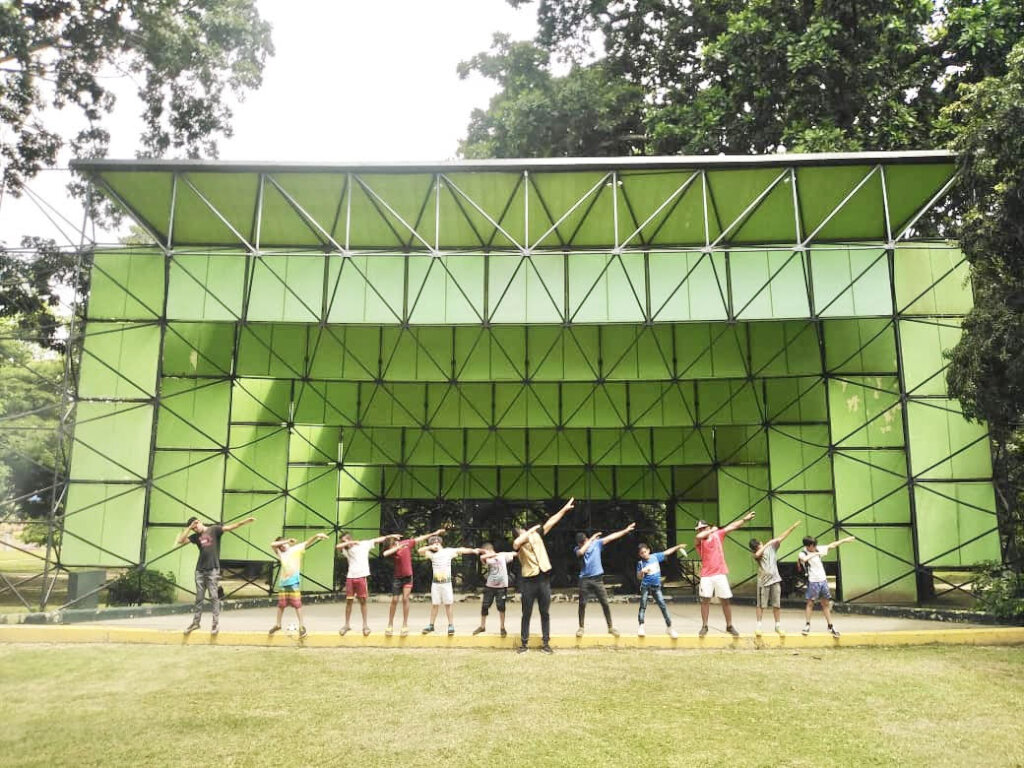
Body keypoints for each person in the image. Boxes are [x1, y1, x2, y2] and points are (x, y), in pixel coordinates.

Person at [512, 497, 575, 654]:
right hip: (528, 582)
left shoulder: (537, 536)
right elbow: (517, 542)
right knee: (526, 614)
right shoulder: (518, 545)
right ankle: (524, 644)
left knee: (545, 613)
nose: (524, 531)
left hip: (543, 580)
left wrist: (564, 509)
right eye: (521, 530)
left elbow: (551, 522)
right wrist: (531, 530)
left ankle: (546, 644)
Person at [176, 515, 256, 635]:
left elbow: (231, 527)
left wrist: (245, 521)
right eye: (193, 528)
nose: (195, 529)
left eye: (195, 526)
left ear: (199, 522)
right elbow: (180, 541)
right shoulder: (195, 537)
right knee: (199, 598)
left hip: (212, 569)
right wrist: (189, 528)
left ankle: (215, 624)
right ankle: (196, 623)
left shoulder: (214, 529)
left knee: (214, 597)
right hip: (199, 570)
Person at [694, 510, 756, 638]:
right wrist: (711, 530)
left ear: (707, 527)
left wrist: (744, 520)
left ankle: (729, 625)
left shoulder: (717, 535)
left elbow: (732, 526)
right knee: (705, 600)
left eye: (703, 528)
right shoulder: (700, 540)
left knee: (725, 600)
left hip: (720, 572)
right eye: (699, 529)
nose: (700, 531)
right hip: (706, 574)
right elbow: (699, 537)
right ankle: (704, 626)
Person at [574, 522, 636, 638]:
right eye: (581, 543)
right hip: (584, 580)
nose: (583, 544)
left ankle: (610, 627)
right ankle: (581, 627)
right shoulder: (577, 549)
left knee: (605, 603)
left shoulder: (596, 544)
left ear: (586, 539)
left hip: (598, 579)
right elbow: (581, 552)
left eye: (584, 542)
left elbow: (611, 537)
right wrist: (591, 539)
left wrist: (625, 530)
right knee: (582, 604)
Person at [381, 527, 445, 637]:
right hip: (397, 578)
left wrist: (434, 533)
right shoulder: (393, 551)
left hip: (408, 576)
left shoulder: (406, 543)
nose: (394, 545)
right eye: (392, 545)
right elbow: (385, 554)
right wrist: (397, 546)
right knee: (395, 600)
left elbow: (419, 539)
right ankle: (390, 624)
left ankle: (405, 625)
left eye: (394, 543)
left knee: (405, 599)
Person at [336, 531, 401, 636]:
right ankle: (346, 625)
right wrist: (348, 542)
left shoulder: (363, 544)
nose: (344, 542)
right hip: (350, 577)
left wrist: (391, 536)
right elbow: (337, 546)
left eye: (346, 539)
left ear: (350, 538)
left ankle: (365, 625)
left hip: (361, 577)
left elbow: (377, 540)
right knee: (349, 602)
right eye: (343, 540)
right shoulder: (345, 550)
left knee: (363, 601)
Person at [419, 535, 484, 636]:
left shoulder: (448, 551)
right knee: (435, 605)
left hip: (446, 583)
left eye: (437, 542)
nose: (436, 544)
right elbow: (420, 551)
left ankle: (451, 625)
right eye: (433, 543)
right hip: (436, 584)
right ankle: (431, 625)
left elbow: (461, 550)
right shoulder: (431, 555)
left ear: (440, 543)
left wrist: (473, 550)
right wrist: (429, 548)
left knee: (448, 604)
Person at [268, 532, 329, 638]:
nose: (282, 546)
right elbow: (272, 544)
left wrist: (316, 536)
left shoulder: (295, 549)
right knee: (281, 605)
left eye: (283, 544)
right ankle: (278, 624)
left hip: (294, 582)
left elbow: (307, 543)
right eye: (280, 545)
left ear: (288, 544)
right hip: (283, 583)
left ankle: (301, 626)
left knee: (297, 605)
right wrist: (286, 541)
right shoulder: (280, 553)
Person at [748, 520, 801, 637]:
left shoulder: (771, 549)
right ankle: (759, 626)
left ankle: (777, 626)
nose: (758, 547)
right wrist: (766, 544)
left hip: (775, 580)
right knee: (761, 605)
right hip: (763, 582)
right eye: (756, 547)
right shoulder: (758, 553)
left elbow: (781, 538)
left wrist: (792, 527)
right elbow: (757, 554)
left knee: (776, 604)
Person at [798, 534, 856, 638]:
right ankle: (807, 625)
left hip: (823, 580)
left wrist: (845, 540)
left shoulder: (817, 549)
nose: (815, 547)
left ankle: (830, 626)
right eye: (813, 546)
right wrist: (817, 553)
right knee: (810, 603)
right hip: (813, 582)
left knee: (825, 604)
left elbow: (832, 545)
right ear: (808, 546)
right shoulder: (803, 553)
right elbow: (805, 559)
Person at [636, 541, 687, 638]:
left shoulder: (655, 557)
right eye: (641, 553)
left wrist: (678, 547)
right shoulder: (640, 563)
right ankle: (641, 626)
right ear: (639, 554)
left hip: (656, 586)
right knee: (643, 605)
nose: (644, 554)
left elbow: (667, 552)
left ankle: (670, 627)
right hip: (645, 586)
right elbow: (638, 577)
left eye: (645, 552)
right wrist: (642, 572)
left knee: (663, 605)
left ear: (648, 551)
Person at [475, 542, 516, 637]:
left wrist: (504, 553)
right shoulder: (487, 558)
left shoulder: (502, 556)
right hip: (490, 586)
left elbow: (514, 554)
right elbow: (481, 558)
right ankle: (482, 626)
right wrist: (492, 553)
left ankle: (502, 627)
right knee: (485, 606)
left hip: (501, 587)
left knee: (501, 607)